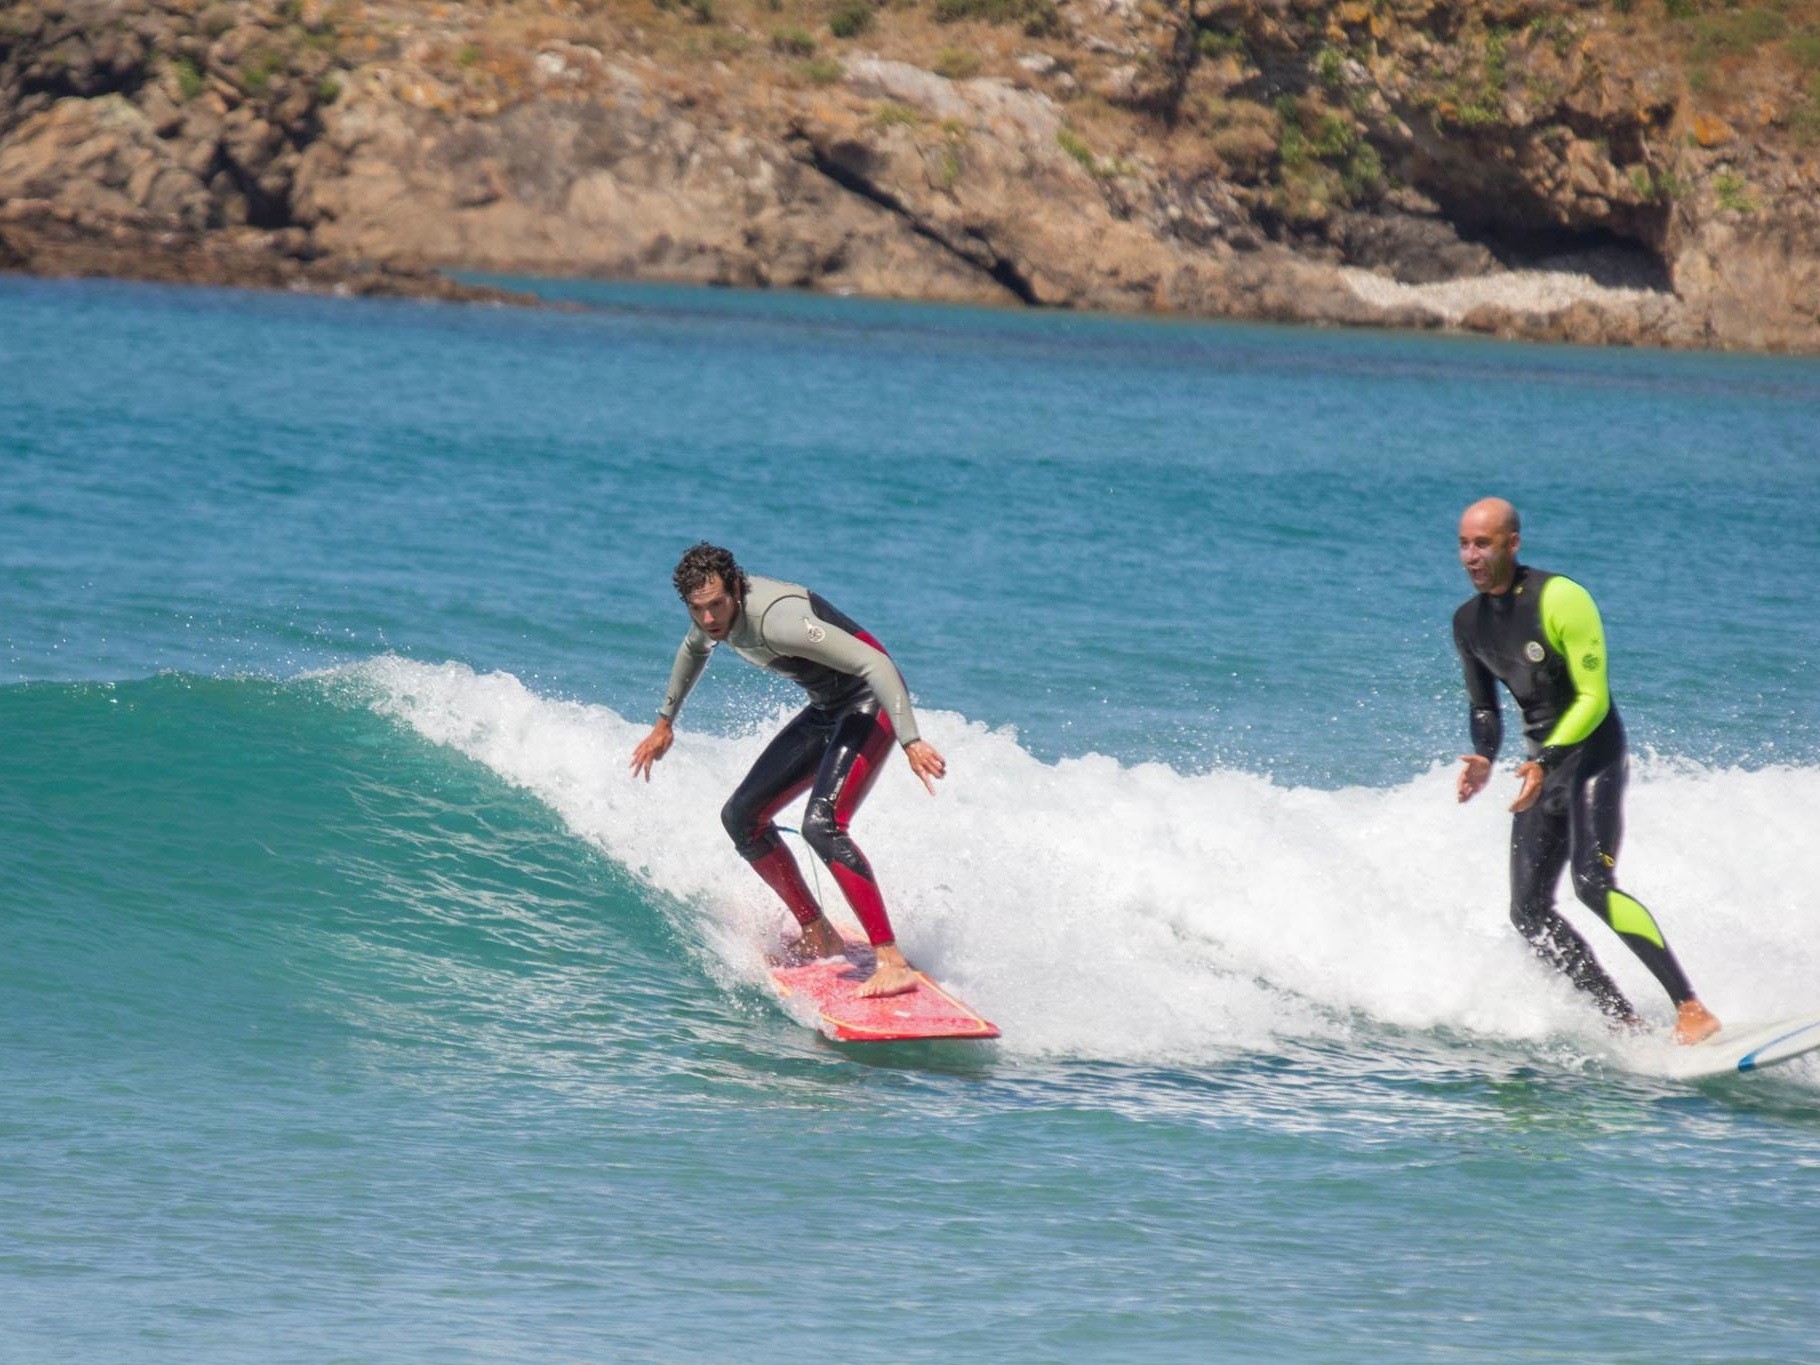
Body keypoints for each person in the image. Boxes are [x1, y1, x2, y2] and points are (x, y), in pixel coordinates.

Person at [1452, 497, 1721, 1044]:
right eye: (1463, 544)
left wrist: (1544, 759)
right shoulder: (1468, 623)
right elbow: (1486, 708)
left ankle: (1691, 1007)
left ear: (1512, 543)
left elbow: (1594, 698)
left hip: (1592, 759)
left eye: (1482, 543)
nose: (1470, 556)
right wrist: (1483, 753)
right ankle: (1620, 1018)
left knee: (1592, 884)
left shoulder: (1561, 598)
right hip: (1540, 769)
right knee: (1527, 911)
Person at [630, 543, 947, 998]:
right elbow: (693, 649)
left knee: (823, 825)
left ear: (736, 588)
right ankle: (818, 933)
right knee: (741, 817)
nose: (708, 619)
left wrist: (911, 740)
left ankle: (892, 961)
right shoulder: (708, 619)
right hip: (827, 708)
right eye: (697, 609)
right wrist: (665, 723)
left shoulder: (780, 621)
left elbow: (876, 663)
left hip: (869, 701)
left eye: (717, 605)